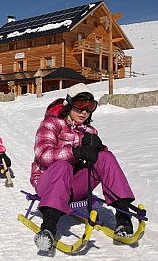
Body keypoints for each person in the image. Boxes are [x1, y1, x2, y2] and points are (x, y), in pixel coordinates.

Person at [30, 83, 135, 252]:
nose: (84, 112)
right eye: (79, 106)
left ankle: (123, 218)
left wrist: (99, 149)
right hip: (47, 182)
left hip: (74, 186)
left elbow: (105, 165)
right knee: (63, 166)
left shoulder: (90, 131)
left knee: (105, 157)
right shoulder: (51, 123)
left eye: (89, 107)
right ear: (69, 104)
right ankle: (48, 228)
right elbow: (43, 155)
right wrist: (76, 151)